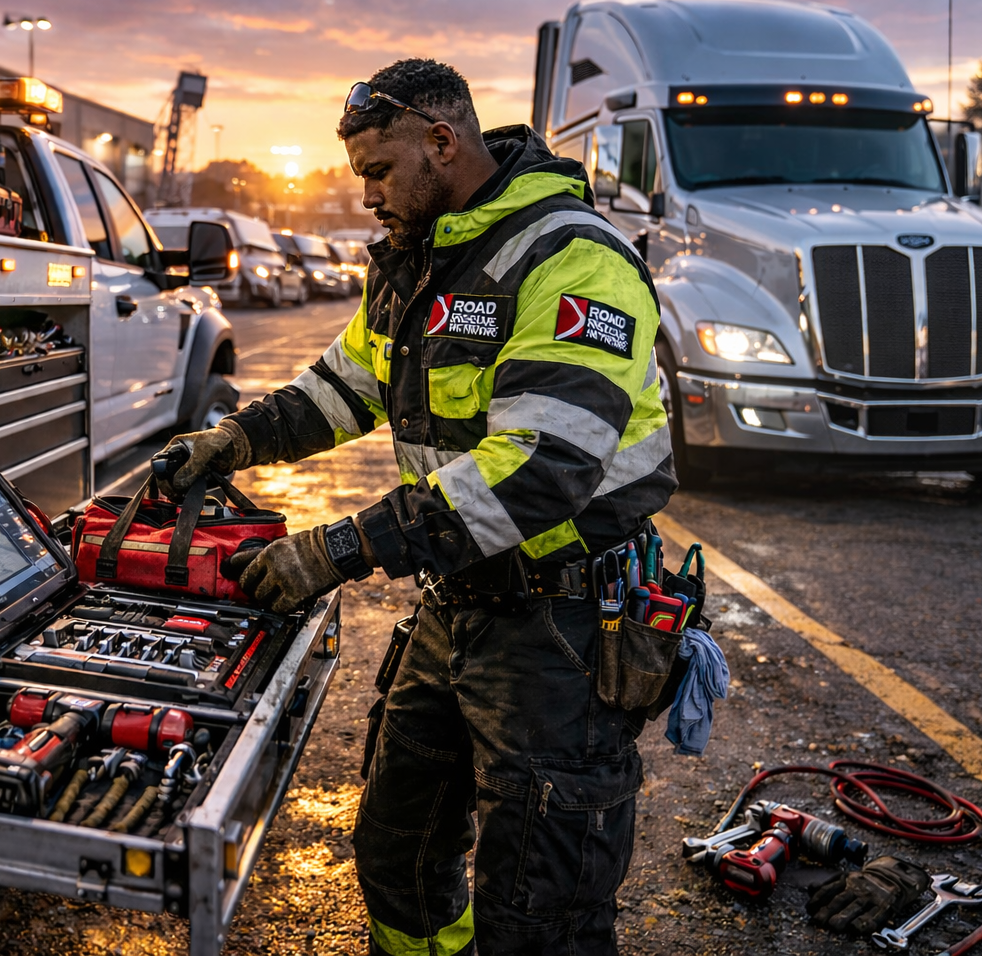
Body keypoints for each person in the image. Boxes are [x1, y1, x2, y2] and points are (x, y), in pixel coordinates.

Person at [158, 58, 675, 955]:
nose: (368, 198)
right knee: (398, 854)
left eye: (378, 173)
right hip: (458, 605)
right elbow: (346, 385)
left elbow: (539, 471)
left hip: (561, 627)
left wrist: (338, 549)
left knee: (536, 909)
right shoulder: (416, 263)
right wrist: (236, 439)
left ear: (443, 142)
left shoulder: (574, 259)